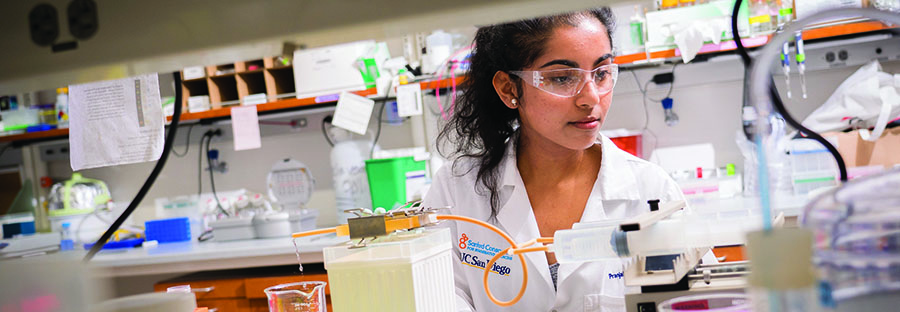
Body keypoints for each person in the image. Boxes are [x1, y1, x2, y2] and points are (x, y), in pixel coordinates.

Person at [422, 7, 685, 312]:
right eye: (562, 78)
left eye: (601, 74)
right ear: (509, 89)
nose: (591, 98)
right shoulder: (456, 191)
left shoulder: (652, 190)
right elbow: (437, 298)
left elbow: (689, 301)